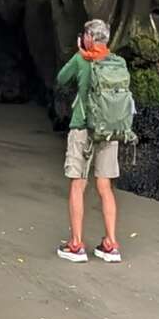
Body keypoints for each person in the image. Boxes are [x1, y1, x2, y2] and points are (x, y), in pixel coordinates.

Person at [55, 18, 122, 263]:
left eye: (84, 35)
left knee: (78, 185)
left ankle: (76, 245)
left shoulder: (82, 59)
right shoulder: (117, 62)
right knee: (105, 187)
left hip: (83, 129)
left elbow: (62, 79)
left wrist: (79, 54)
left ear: (89, 38)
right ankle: (111, 244)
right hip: (110, 130)